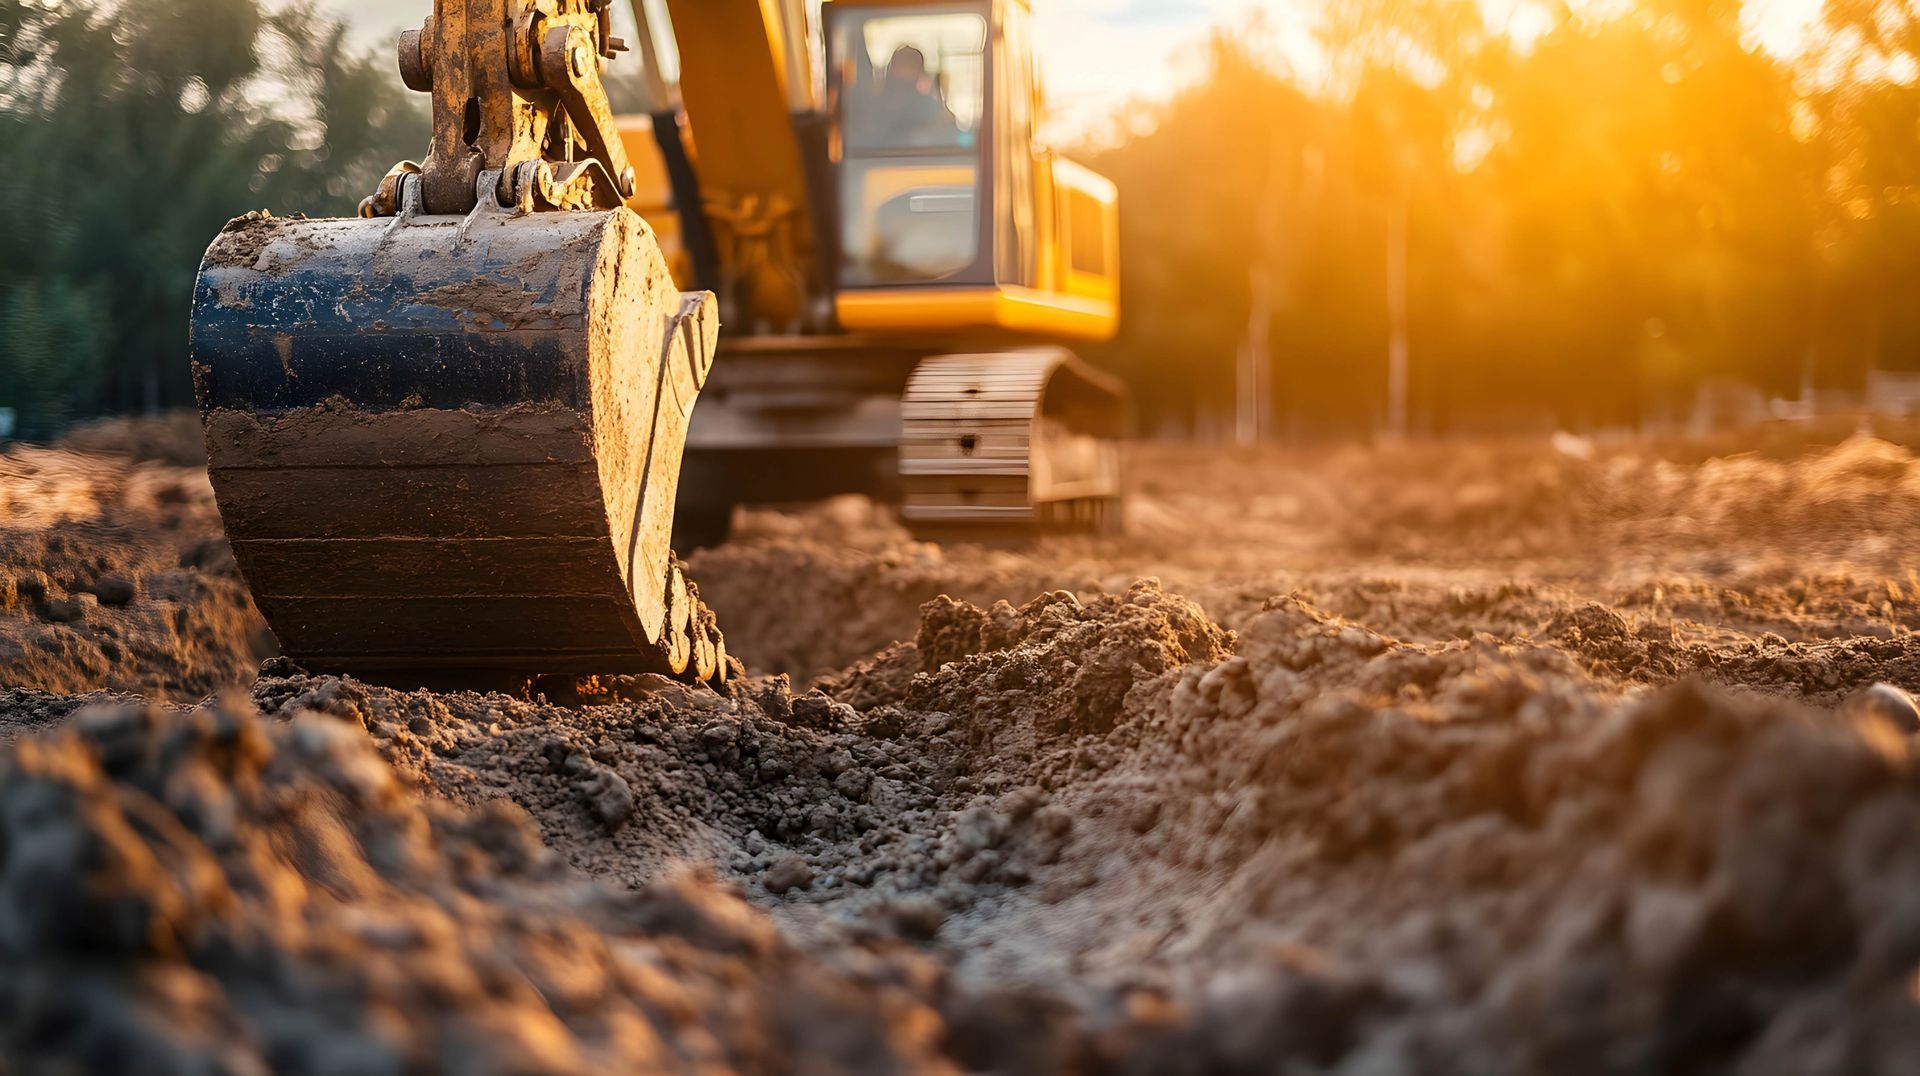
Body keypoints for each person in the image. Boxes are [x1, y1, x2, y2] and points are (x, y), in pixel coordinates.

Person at [864, 45, 960, 147]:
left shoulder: (930, 109)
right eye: (901, 65)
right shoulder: (873, 108)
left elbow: (952, 141)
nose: (903, 72)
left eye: (909, 66)